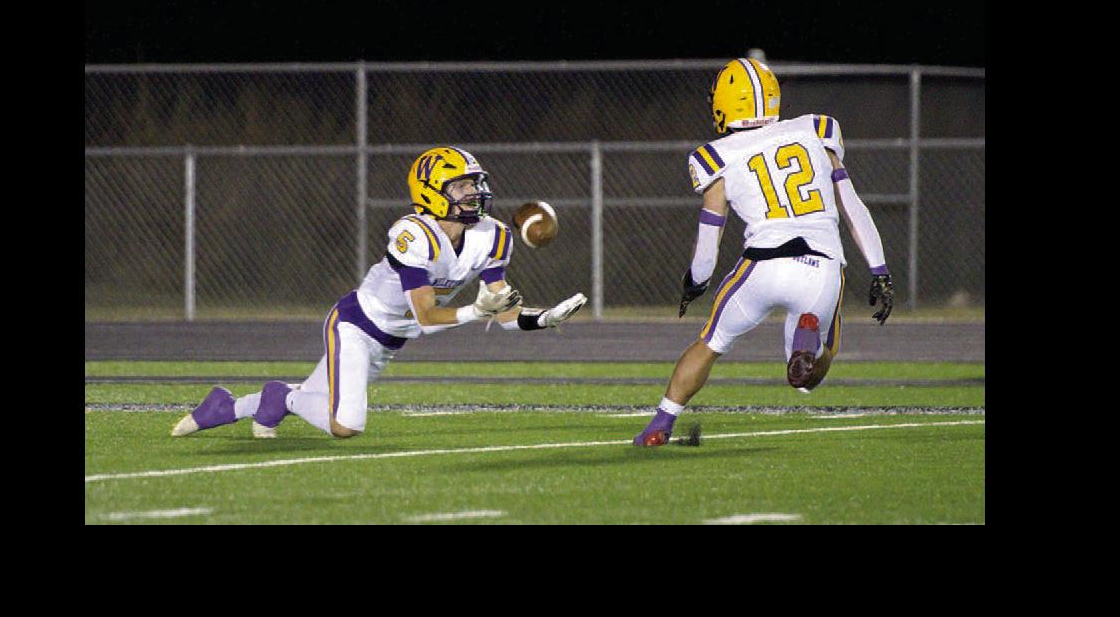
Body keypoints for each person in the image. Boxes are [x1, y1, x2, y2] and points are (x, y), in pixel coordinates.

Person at [172, 146, 588, 440]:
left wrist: (543, 318)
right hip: (356, 325)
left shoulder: (493, 236)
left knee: (318, 397)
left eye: (475, 184)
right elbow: (427, 316)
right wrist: (475, 311)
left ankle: (225, 407)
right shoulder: (414, 234)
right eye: (462, 187)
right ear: (432, 192)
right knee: (345, 424)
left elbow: (504, 313)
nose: (473, 194)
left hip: (390, 341)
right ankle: (277, 397)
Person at [633, 58, 894, 446]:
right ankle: (810, 344)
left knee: (710, 342)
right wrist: (879, 269)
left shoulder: (715, 156)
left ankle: (660, 424)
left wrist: (695, 283)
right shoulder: (815, 130)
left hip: (759, 266)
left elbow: (709, 238)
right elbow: (852, 206)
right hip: (819, 265)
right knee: (811, 375)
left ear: (724, 103)